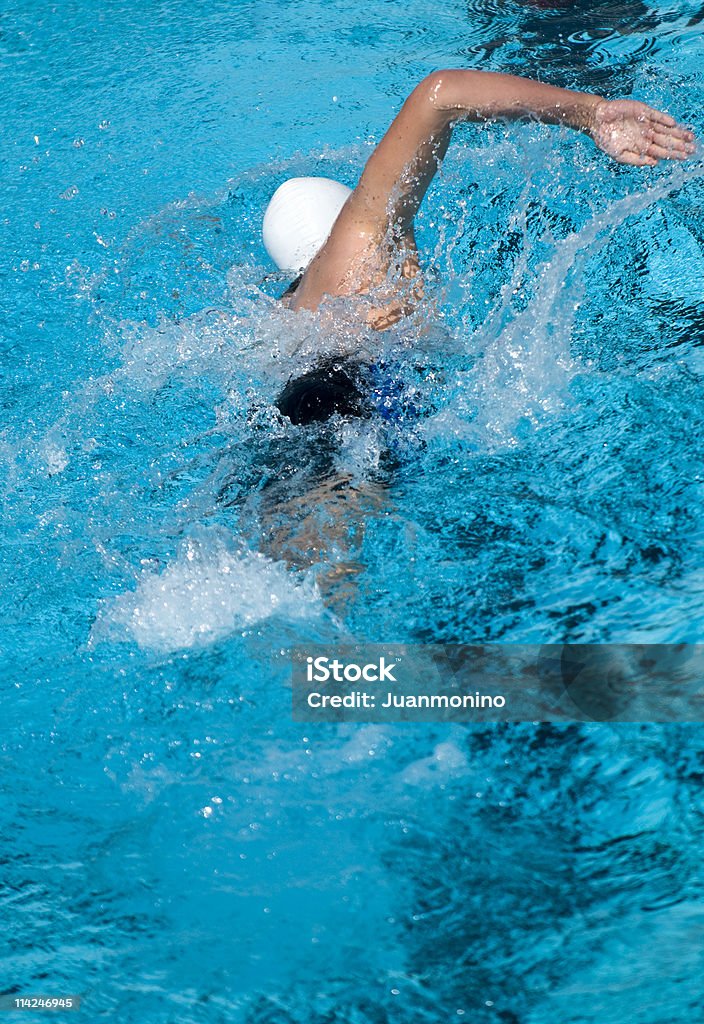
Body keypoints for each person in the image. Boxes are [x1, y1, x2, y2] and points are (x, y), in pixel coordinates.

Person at [264, 69, 695, 339]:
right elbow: (440, 94)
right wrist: (590, 112)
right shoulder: (363, 247)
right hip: (347, 415)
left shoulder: (292, 320)